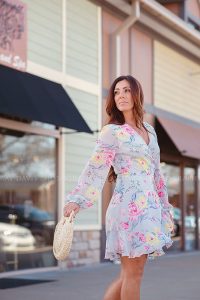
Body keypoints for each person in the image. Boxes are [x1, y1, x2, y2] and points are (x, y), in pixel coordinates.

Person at [64, 75, 174, 300]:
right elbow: (95, 168)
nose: (121, 96)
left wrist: (165, 209)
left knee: (131, 273)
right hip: (127, 209)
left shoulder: (150, 132)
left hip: (150, 209)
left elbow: (156, 174)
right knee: (134, 274)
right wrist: (77, 199)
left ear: (136, 94)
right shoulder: (112, 132)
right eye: (116, 92)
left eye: (126, 90)